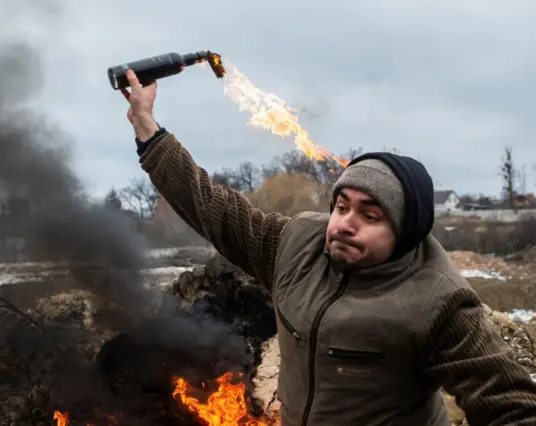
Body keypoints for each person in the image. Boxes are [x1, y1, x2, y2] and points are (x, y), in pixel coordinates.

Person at [118, 68, 536, 426]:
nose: (344, 225)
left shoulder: (439, 301)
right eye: (341, 206)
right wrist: (147, 128)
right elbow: (214, 209)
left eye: (370, 216)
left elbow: (512, 408)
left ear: (406, 231)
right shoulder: (299, 244)